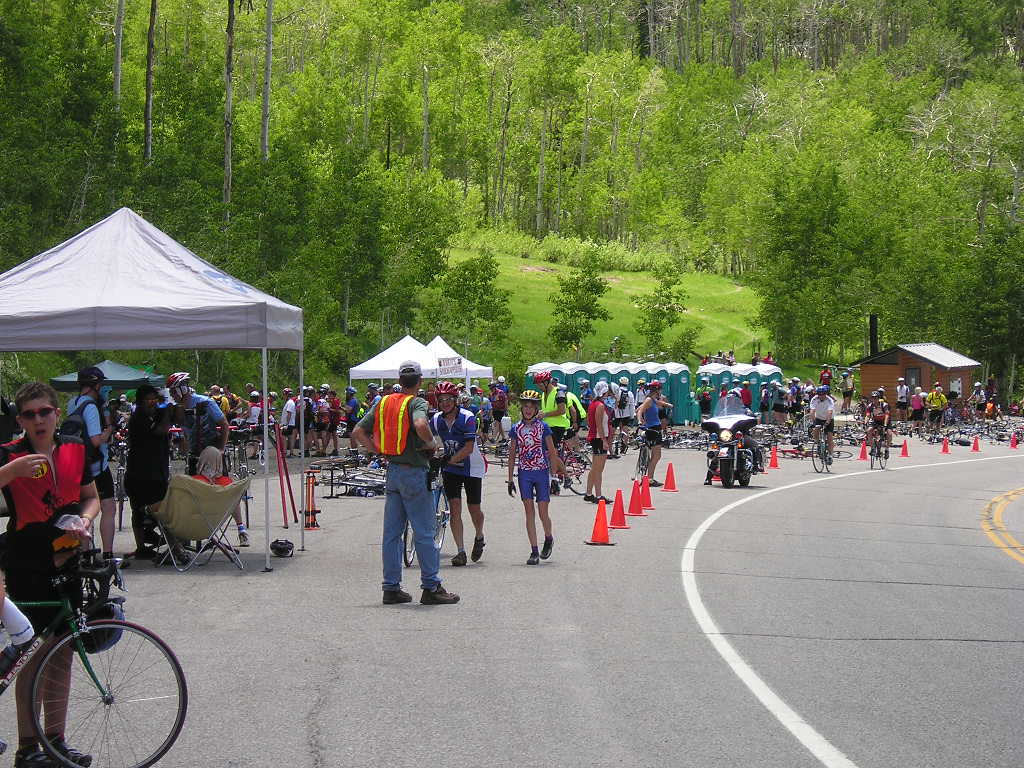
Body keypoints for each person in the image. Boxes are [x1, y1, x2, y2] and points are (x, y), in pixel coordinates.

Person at [0, 381, 98, 768]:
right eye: (29, 414)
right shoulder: (10, 453)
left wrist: (86, 521)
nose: (38, 419)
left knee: (63, 652)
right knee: (33, 654)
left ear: (57, 413)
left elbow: (91, 495)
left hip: (68, 557)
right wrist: (12, 470)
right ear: (20, 419)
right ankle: (28, 748)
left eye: (45, 411)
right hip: (27, 561)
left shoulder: (75, 449)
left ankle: (56, 740)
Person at [352, 361, 459, 605]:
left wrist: (377, 452)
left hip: (393, 472)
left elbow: (358, 431)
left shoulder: (385, 401)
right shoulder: (417, 402)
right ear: (420, 381)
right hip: (413, 472)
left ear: (400, 380)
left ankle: (391, 587)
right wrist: (432, 444)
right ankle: (431, 586)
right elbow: (421, 424)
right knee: (424, 530)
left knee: (392, 533)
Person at [167, 372, 248, 546]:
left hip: (211, 451)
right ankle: (195, 531)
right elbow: (184, 433)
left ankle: (241, 529)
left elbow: (224, 424)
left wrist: (220, 449)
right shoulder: (178, 408)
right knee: (193, 492)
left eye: (173, 391)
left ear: (182, 388)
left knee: (225, 487)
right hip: (194, 454)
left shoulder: (205, 402)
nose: (172, 395)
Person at [430, 382, 486, 567]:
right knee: (454, 508)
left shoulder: (467, 417)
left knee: (474, 508)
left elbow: (469, 448)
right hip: (451, 469)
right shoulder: (437, 419)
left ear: (455, 400)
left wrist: (449, 459)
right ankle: (460, 551)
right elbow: (429, 440)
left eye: (448, 399)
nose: (445, 403)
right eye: (441, 400)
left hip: (471, 467)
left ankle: (479, 535)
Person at [507, 390, 564, 565]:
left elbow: (552, 452)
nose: (528, 410)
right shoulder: (516, 428)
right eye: (525, 406)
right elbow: (512, 454)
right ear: (522, 408)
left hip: (541, 471)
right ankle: (533, 551)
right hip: (524, 473)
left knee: (542, 512)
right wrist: (510, 479)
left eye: (532, 406)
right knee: (529, 512)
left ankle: (548, 538)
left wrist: (554, 477)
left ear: (536, 408)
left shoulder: (543, 427)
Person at [66, 367, 117, 560]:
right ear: (96, 385)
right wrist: (110, 429)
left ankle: (85, 554)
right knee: (108, 507)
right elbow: (96, 440)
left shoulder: (73, 403)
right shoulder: (91, 406)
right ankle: (108, 554)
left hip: (78, 465)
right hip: (97, 467)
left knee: (82, 510)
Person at [123, 385, 172, 562]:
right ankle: (142, 547)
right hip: (140, 472)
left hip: (157, 471)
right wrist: (167, 412)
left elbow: (178, 419)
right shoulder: (138, 417)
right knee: (140, 510)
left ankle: (169, 545)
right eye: (149, 400)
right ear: (140, 401)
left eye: (155, 400)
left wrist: (172, 408)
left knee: (162, 510)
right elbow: (161, 430)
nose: (153, 403)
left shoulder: (157, 414)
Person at [636, 380, 671, 486]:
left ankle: (648, 476)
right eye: (660, 389)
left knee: (655, 455)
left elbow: (659, 403)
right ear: (657, 390)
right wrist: (639, 420)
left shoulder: (652, 400)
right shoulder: (649, 400)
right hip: (653, 429)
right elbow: (640, 411)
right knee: (657, 455)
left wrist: (668, 405)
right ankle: (649, 479)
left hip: (654, 428)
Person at [583, 382, 613, 503]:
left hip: (595, 438)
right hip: (599, 438)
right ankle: (599, 495)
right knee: (598, 469)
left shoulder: (593, 404)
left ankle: (589, 493)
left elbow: (589, 421)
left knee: (594, 468)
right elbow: (599, 425)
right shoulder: (600, 405)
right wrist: (604, 440)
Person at [808, 385, 836, 461]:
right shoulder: (814, 399)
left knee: (830, 437)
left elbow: (830, 412)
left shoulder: (830, 400)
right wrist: (813, 421)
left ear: (825, 394)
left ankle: (830, 455)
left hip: (829, 418)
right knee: (816, 429)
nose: (821, 396)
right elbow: (812, 411)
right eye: (819, 394)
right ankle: (818, 443)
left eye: (822, 394)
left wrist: (827, 422)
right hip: (819, 418)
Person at [611, 376, 636, 457]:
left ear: (620, 383)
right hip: (626, 414)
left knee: (613, 431)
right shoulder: (630, 393)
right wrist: (632, 416)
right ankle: (624, 448)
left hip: (616, 414)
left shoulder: (617, 391)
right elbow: (632, 406)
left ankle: (611, 448)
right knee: (625, 430)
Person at [865, 390, 893, 457]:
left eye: (876, 398)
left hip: (885, 421)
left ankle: (887, 449)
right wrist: (865, 422)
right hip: (876, 421)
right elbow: (868, 415)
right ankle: (872, 448)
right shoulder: (870, 406)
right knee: (869, 431)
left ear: (878, 398)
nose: (874, 399)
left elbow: (887, 415)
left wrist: (885, 425)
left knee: (889, 433)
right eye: (873, 398)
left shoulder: (884, 405)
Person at [280, 387, 297, 457]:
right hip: (290, 423)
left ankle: (285, 452)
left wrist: (286, 424)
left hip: (288, 423)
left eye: (284, 394)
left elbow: (289, 413)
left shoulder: (290, 402)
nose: (283, 396)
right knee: (290, 438)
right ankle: (290, 452)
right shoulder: (290, 402)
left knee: (284, 437)